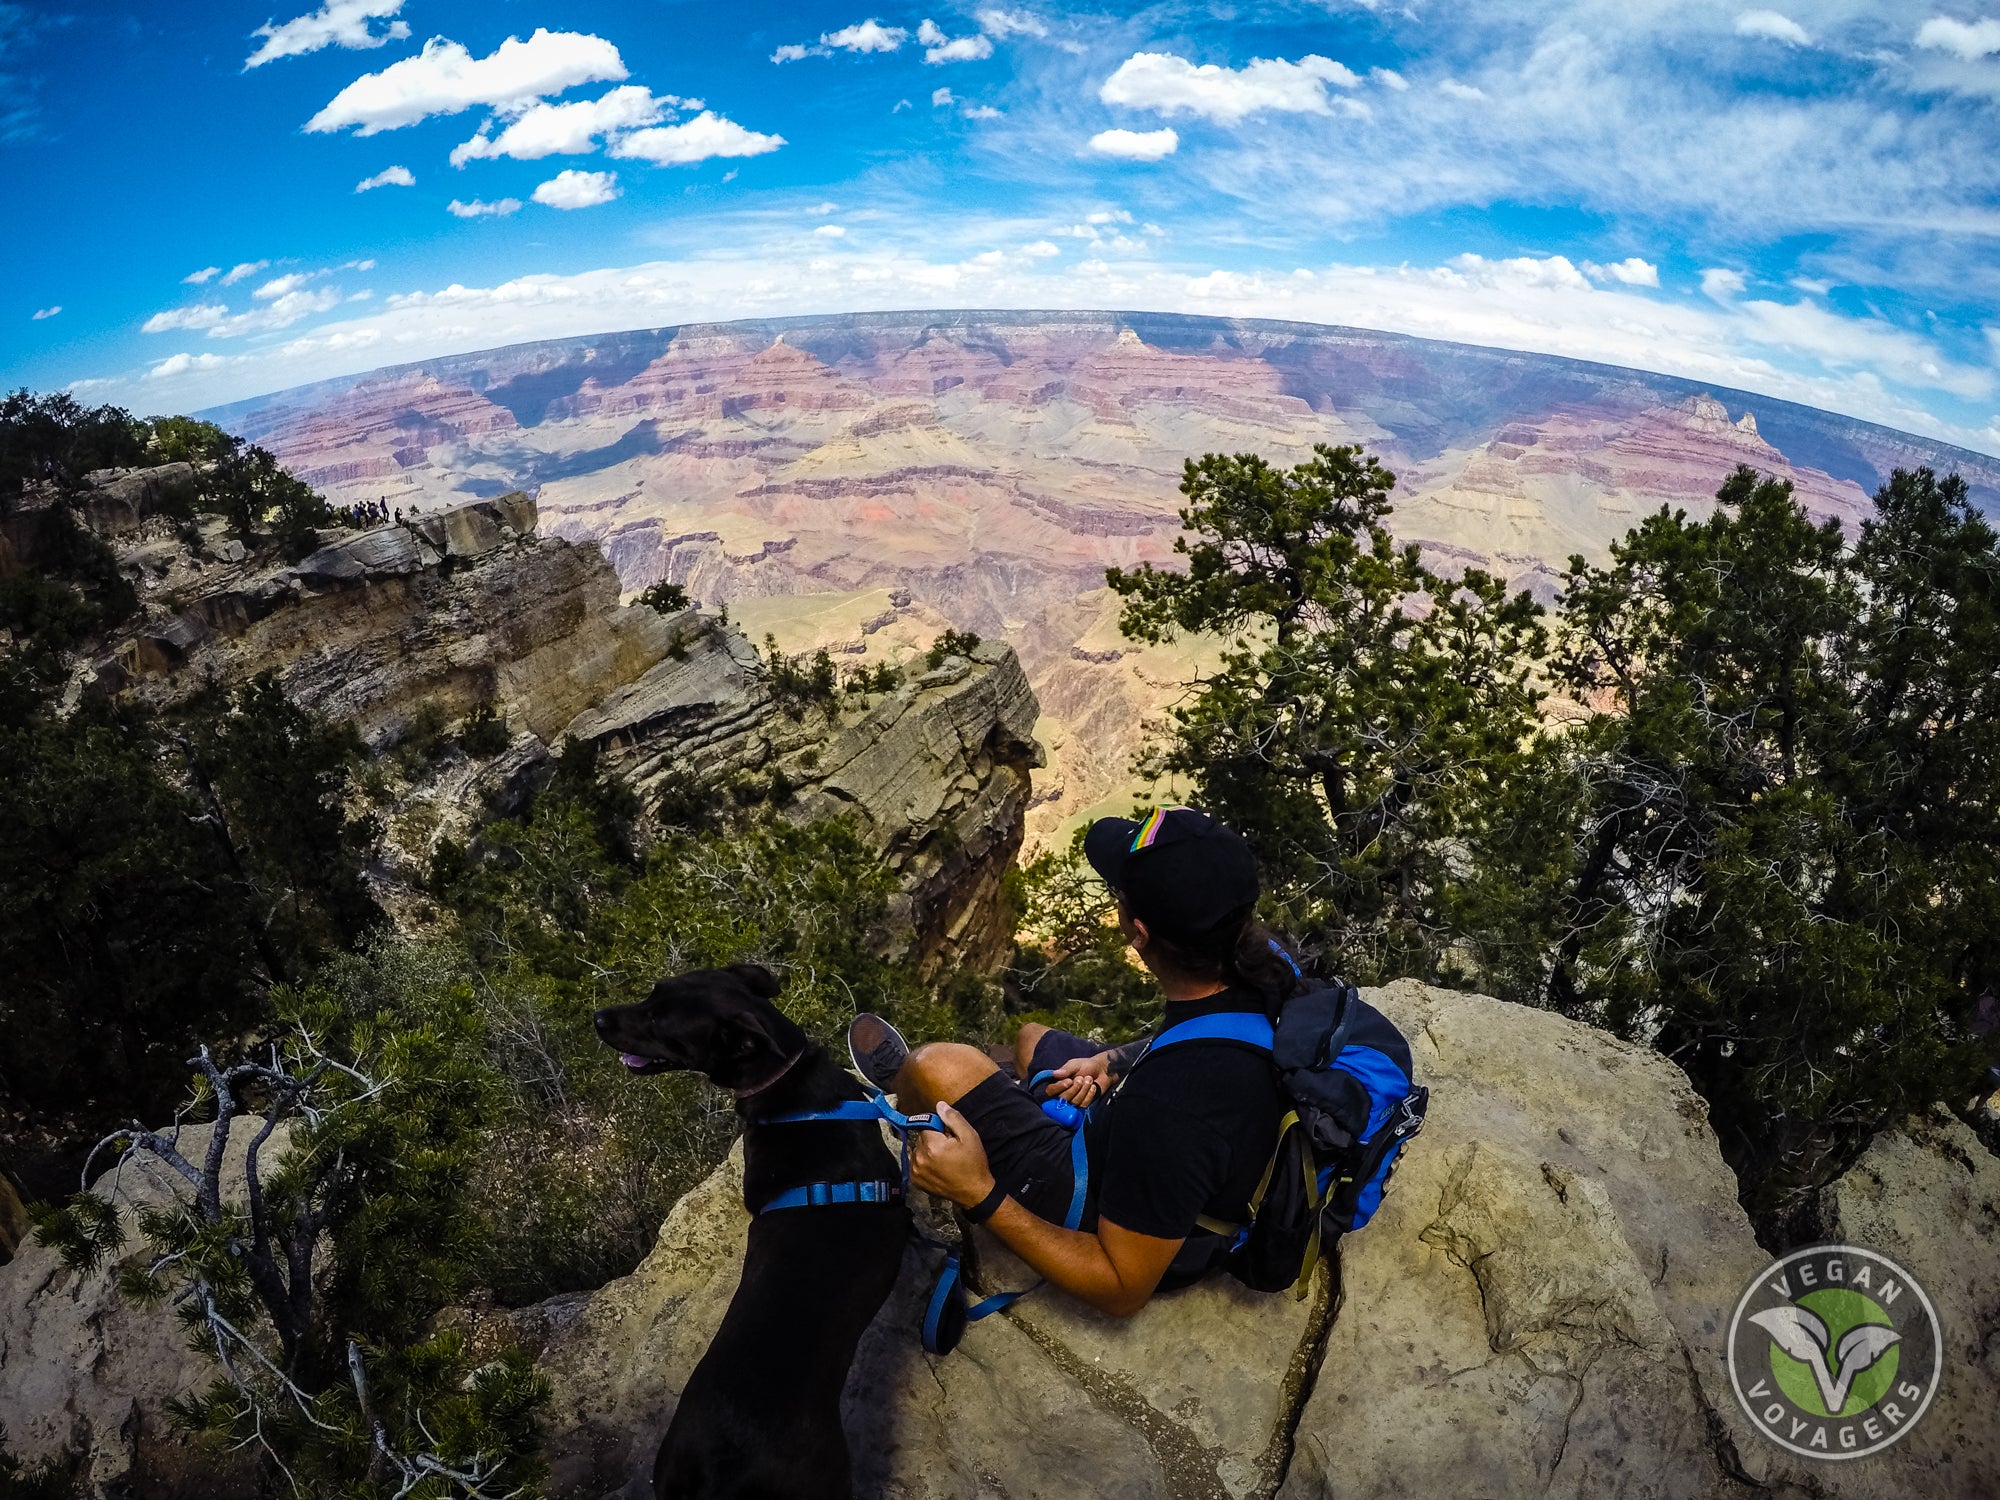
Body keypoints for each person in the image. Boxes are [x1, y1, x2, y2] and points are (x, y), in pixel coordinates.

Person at [848, 806, 1298, 1318]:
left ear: (1139, 933)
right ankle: (1011, 1097)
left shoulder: (1172, 1104)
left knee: (938, 1065)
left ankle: (906, 1096)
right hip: (1152, 1136)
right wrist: (1114, 1061)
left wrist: (979, 1192)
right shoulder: (1268, 965)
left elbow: (1122, 1285)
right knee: (1031, 1037)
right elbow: (1213, 1036)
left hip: (1114, 1197)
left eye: (1119, 896)